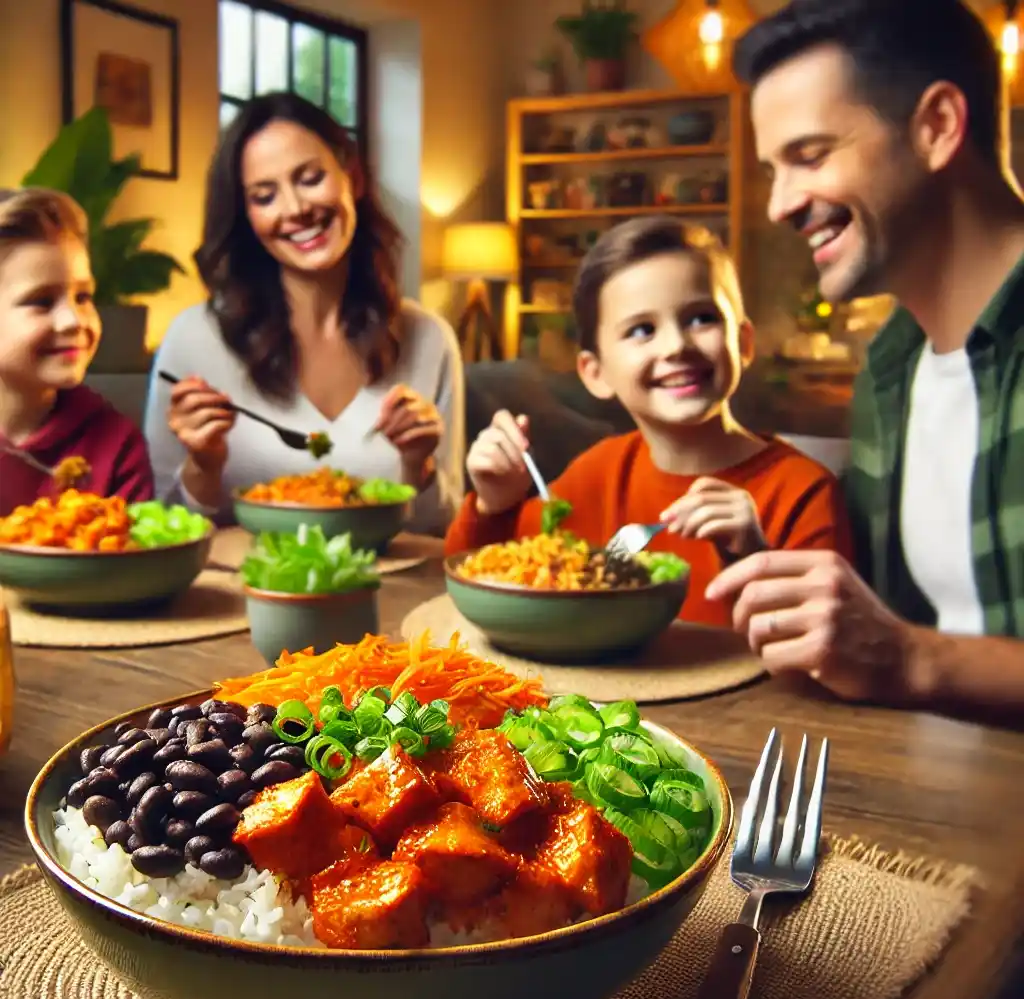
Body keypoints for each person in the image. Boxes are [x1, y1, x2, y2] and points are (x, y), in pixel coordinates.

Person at [706, 0, 1024, 712]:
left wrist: (914, 659)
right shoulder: (892, 368)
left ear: (937, 126)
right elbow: (877, 633)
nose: (780, 205)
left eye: (810, 155)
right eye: (773, 169)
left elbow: (903, 653)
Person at [444, 216, 851, 627]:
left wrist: (753, 556)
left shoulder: (801, 492)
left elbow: (823, 654)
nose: (676, 345)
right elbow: (480, 577)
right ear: (595, 373)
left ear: (743, 343)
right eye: (641, 329)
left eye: (701, 318)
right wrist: (493, 503)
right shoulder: (595, 475)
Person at [144, 92, 464, 536]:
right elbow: (157, 530)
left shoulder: (429, 340)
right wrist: (204, 465)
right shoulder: (193, 340)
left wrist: (419, 463)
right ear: (246, 216)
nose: (295, 209)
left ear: (352, 177)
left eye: (311, 178)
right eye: (264, 195)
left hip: (389, 598)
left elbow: (444, 537)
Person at [0, 187, 153, 516]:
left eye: (83, 298)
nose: (73, 321)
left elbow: (134, 561)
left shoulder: (117, 445)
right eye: (41, 301)